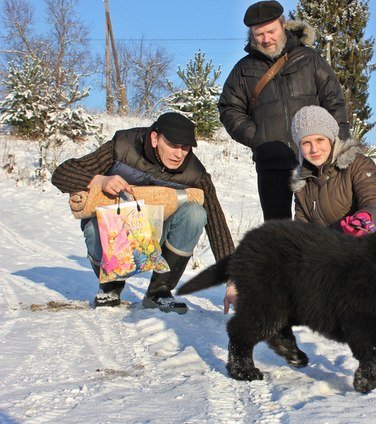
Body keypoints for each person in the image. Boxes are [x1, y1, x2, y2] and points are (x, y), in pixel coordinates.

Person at [51, 112, 235, 314]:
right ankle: (110, 287)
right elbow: (62, 173)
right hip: (115, 231)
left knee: (195, 214)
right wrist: (100, 180)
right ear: (155, 138)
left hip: (156, 232)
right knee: (94, 228)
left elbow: (217, 224)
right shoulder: (122, 147)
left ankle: (159, 291)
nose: (179, 154)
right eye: (173, 145)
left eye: (185, 147)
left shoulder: (194, 172)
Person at [218, 0, 350, 221]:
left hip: (314, 161)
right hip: (271, 163)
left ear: (283, 24)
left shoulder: (309, 59)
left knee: (322, 225)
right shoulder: (243, 69)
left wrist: (337, 142)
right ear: (251, 34)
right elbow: (229, 108)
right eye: (259, 34)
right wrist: (258, 137)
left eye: (271, 31)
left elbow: (334, 101)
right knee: (277, 232)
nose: (266, 39)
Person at [290, 105, 376, 234]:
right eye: (306, 143)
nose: (314, 149)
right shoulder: (302, 186)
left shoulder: (357, 164)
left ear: (331, 140)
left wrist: (365, 218)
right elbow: (302, 230)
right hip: (345, 251)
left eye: (320, 140)